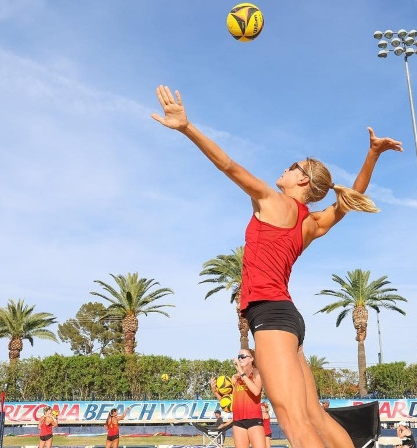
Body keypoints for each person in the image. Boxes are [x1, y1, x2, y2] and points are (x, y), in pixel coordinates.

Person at [152, 85, 402, 448]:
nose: (284, 169)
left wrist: (187, 128)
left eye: (291, 166)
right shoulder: (309, 224)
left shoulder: (272, 201)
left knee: (295, 422)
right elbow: (351, 200)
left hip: (270, 315)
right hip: (288, 320)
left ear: (301, 180)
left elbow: (227, 165)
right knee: (314, 414)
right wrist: (372, 155)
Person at [210, 349, 266, 448]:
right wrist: (215, 392)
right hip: (238, 421)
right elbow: (228, 404)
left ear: (251, 359)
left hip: (254, 419)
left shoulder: (256, 373)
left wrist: (242, 373)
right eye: (239, 357)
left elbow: (256, 392)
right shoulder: (235, 378)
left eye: (243, 356)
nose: (240, 358)